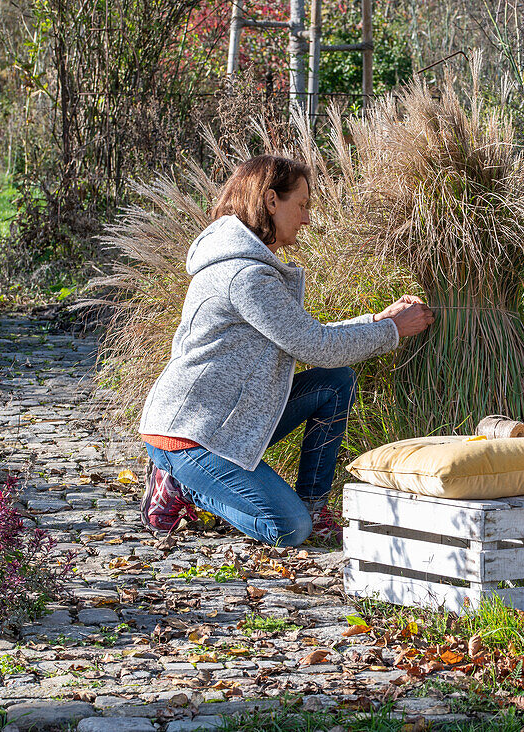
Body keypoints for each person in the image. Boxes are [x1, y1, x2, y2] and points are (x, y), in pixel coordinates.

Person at [138, 155, 434, 546]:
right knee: (288, 528)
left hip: (227, 420)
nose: (307, 219)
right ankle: (179, 483)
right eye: (303, 205)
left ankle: (313, 505)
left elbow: (308, 337)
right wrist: (392, 330)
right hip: (191, 434)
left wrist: (380, 321)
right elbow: (317, 347)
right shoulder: (245, 275)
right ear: (272, 201)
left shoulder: (251, 264)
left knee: (334, 383)